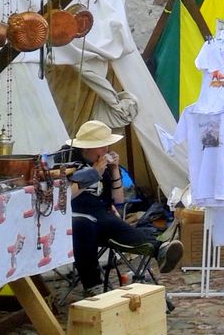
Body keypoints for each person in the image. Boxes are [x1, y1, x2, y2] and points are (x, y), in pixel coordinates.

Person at [66, 120, 183, 297]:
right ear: (88, 148)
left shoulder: (102, 164)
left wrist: (113, 170)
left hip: (100, 214)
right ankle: (92, 285)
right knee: (85, 225)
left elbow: (118, 199)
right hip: (74, 215)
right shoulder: (67, 162)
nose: (106, 150)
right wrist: (94, 174)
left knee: (114, 223)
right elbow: (65, 196)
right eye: (102, 146)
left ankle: (160, 250)